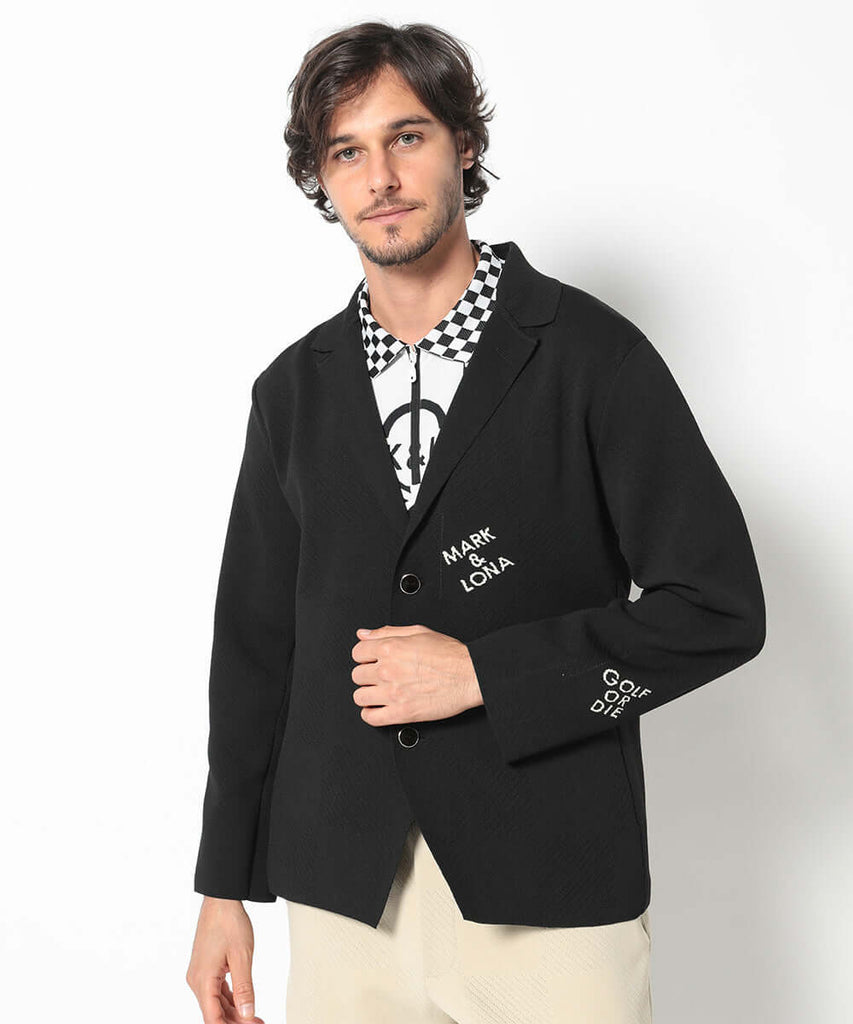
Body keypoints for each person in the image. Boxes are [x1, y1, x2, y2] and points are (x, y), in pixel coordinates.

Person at [186, 20, 766, 1024]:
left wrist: (486, 675)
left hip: (552, 892)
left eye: (406, 137)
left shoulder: (592, 357)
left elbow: (716, 610)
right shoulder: (290, 393)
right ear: (321, 179)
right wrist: (223, 887)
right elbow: (254, 652)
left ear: (464, 144)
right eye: (346, 152)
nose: (379, 177)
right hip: (343, 901)